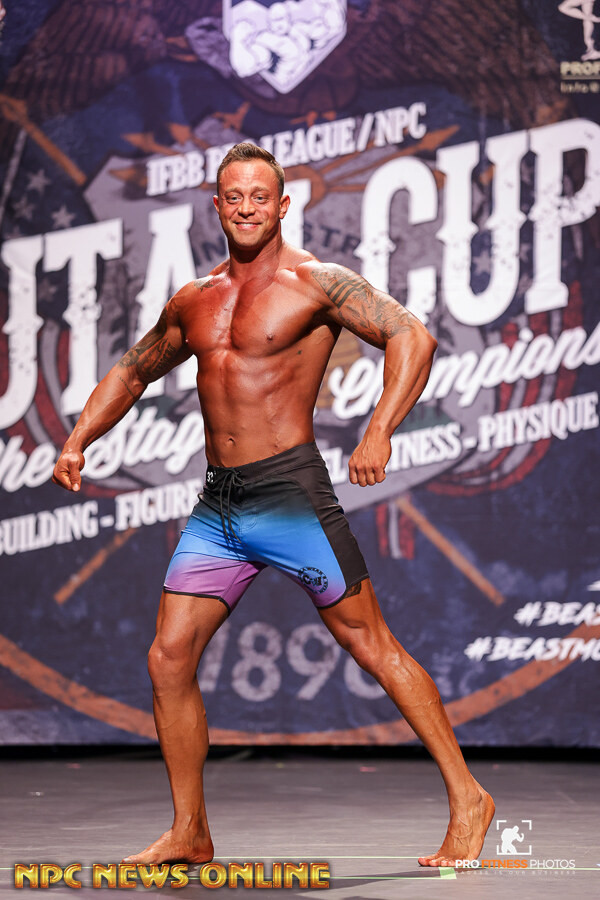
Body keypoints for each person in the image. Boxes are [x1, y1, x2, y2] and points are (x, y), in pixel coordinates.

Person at [53, 142, 494, 868]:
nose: (247, 208)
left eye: (261, 196)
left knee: (372, 645)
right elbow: (132, 372)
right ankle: (190, 830)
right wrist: (78, 440)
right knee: (168, 657)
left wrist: (379, 430)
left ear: (283, 205)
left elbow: (413, 337)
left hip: (291, 494)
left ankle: (469, 797)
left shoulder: (317, 283)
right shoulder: (194, 299)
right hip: (220, 506)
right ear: (216, 206)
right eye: (234, 197)